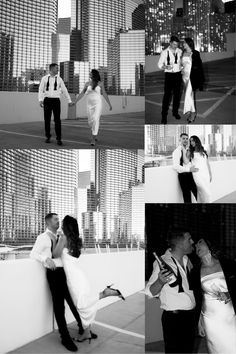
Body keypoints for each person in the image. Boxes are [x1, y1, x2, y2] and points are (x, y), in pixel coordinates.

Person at [52, 215, 125, 343]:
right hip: (79, 277)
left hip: (73, 279)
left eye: (63, 224)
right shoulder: (77, 241)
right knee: (83, 305)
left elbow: (55, 254)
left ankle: (104, 293)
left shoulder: (63, 238)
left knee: (81, 305)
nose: (61, 225)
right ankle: (86, 333)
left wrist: (57, 239)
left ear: (66, 226)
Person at [30, 213, 84, 352]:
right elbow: (33, 253)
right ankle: (65, 338)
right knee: (59, 306)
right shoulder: (42, 237)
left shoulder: (60, 237)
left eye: (58, 219)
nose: (58, 221)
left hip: (65, 273)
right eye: (55, 219)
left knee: (73, 301)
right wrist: (45, 259)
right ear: (48, 222)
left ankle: (83, 327)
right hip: (53, 274)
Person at [145, 229, 197, 353]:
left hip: (191, 316)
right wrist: (160, 282)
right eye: (189, 239)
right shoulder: (162, 262)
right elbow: (149, 292)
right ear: (179, 243)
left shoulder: (187, 260)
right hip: (174, 319)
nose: (192, 241)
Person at [194, 238, 236, 353]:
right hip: (210, 317)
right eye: (195, 244)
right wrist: (199, 320)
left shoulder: (228, 264)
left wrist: (228, 294)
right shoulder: (195, 271)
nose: (196, 245)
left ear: (209, 245)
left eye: (200, 242)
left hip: (230, 314)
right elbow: (197, 298)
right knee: (216, 348)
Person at [73, 69, 112, 146]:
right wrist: (75, 102)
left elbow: (104, 94)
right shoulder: (87, 83)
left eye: (91, 73)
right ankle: (95, 132)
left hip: (98, 104)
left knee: (95, 119)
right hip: (89, 104)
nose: (89, 74)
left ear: (94, 74)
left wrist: (109, 104)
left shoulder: (100, 83)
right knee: (90, 121)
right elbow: (82, 93)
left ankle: (93, 138)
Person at [38, 63, 73, 146]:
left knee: (57, 120)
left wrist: (69, 100)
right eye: (56, 68)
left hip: (56, 101)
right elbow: (40, 89)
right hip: (47, 100)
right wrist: (40, 99)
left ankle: (59, 138)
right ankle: (48, 137)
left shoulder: (59, 79)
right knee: (47, 119)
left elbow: (64, 90)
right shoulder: (44, 78)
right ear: (52, 69)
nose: (58, 69)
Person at [158, 35, 183, 124]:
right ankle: (164, 116)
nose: (175, 46)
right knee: (167, 97)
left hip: (178, 75)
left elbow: (182, 62)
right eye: (174, 44)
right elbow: (159, 64)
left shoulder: (180, 51)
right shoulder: (164, 52)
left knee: (177, 96)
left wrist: (182, 66)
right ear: (170, 43)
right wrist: (165, 67)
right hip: (169, 75)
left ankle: (175, 112)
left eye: (177, 45)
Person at [181, 38, 205, 123]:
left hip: (192, 77)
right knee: (188, 95)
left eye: (184, 43)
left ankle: (193, 113)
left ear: (188, 43)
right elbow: (182, 64)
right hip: (184, 77)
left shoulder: (195, 53)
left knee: (189, 95)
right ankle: (190, 110)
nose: (183, 44)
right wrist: (181, 69)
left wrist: (201, 81)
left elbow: (199, 67)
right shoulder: (183, 53)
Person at [184, 136, 212, 203]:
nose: (191, 142)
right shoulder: (190, 151)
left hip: (205, 175)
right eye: (190, 141)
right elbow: (186, 162)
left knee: (201, 194)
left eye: (193, 140)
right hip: (197, 174)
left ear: (197, 141)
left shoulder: (203, 152)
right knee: (207, 193)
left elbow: (207, 164)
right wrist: (185, 149)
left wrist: (210, 175)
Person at [172, 132, 198, 203]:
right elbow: (175, 166)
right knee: (187, 198)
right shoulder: (177, 151)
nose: (185, 140)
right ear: (179, 140)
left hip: (191, 175)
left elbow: (189, 162)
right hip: (183, 177)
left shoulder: (188, 150)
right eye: (183, 138)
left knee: (198, 195)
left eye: (187, 139)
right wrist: (189, 169)